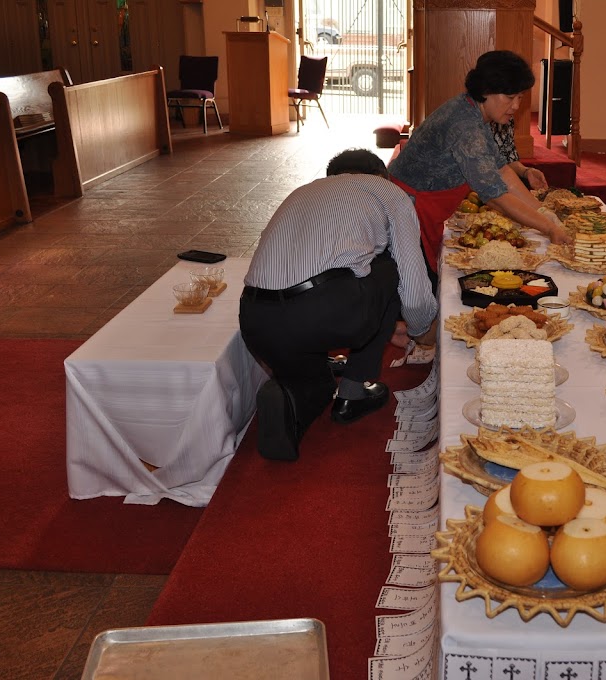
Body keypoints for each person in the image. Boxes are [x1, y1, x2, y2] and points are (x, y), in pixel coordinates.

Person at [239, 149, 439, 461]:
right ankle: (352, 394)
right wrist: (420, 329)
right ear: (381, 177)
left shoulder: (302, 191)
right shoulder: (389, 193)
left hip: (256, 320)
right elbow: (413, 287)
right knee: (388, 264)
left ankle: (296, 390)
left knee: (313, 378)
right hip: (325, 313)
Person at [388, 49, 570, 275]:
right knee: (416, 283)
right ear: (486, 91)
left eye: (520, 97)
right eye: (509, 97)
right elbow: (495, 196)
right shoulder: (466, 125)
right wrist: (548, 227)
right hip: (410, 208)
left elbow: (501, 171)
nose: (516, 106)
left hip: (421, 204)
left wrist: (543, 212)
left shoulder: (472, 110)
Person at [491, 118, 549, 191]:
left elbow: (509, 159)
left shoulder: (505, 118)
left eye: (519, 105)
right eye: (508, 105)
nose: (515, 107)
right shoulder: (474, 122)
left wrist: (526, 171)